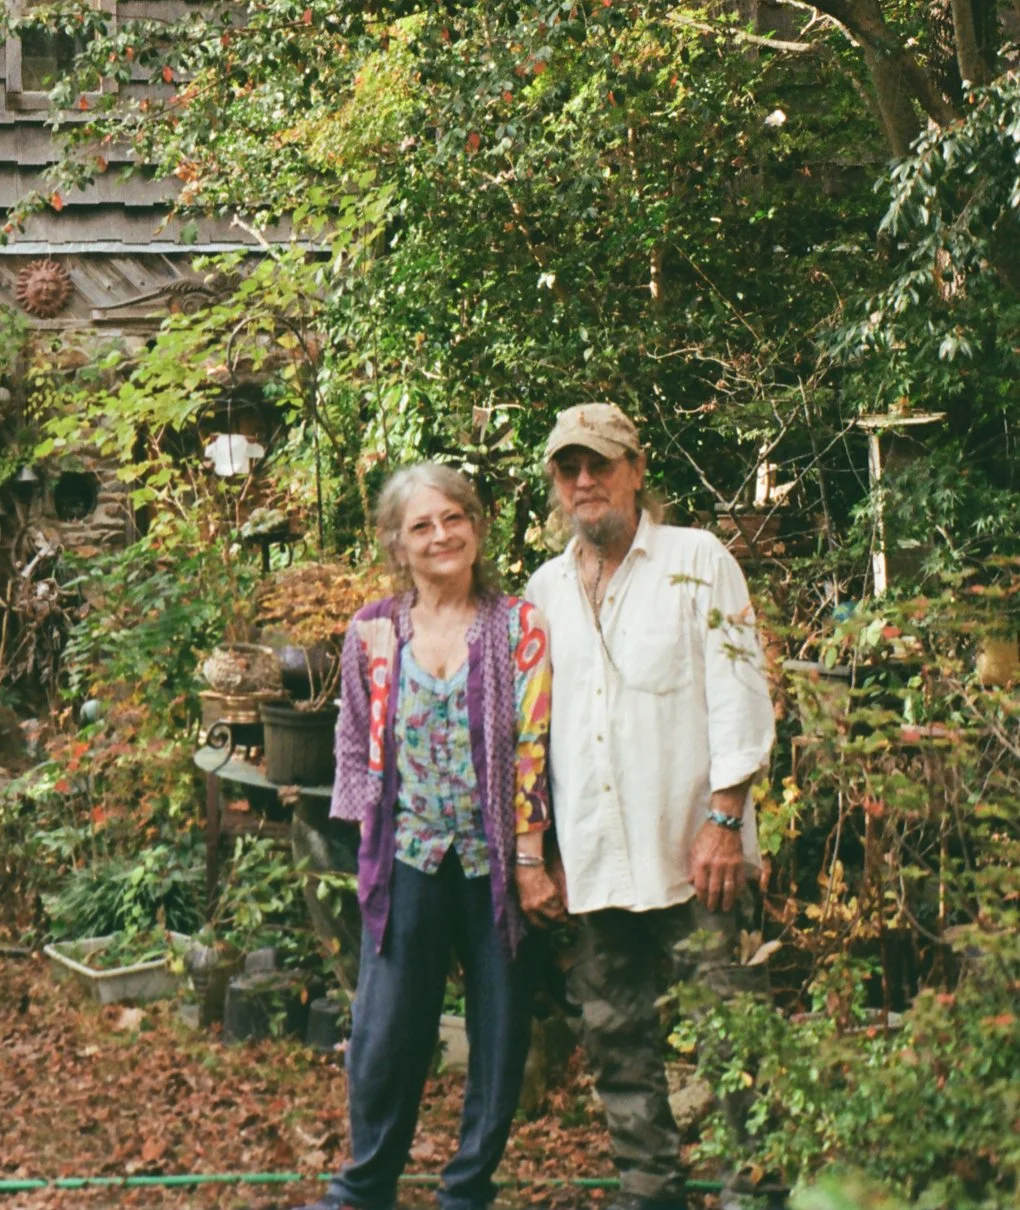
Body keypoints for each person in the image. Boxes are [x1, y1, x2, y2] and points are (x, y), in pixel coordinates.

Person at [521, 403, 777, 1210]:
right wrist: (544, 849)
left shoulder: (699, 559)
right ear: (557, 486)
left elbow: (741, 693)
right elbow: (538, 730)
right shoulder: (544, 589)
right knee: (617, 1041)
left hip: (699, 855)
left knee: (735, 1036)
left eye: (600, 463)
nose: (585, 481)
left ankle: (756, 1193)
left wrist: (726, 819)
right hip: (596, 860)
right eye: (569, 468)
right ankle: (651, 1192)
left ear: (635, 469)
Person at [286, 461, 562, 1210]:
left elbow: (533, 745)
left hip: (495, 862)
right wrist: (361, 834)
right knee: (384, 1034)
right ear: (396, 544)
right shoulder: (373, 630)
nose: (442, 535)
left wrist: (533, 855)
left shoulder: (517, 626)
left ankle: (467, 1191)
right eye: (421, 525)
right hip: (406, 855)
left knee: (499, 1035)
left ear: (476, 525)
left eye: (454, 518)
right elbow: (350, 736)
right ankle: (363, 1186)